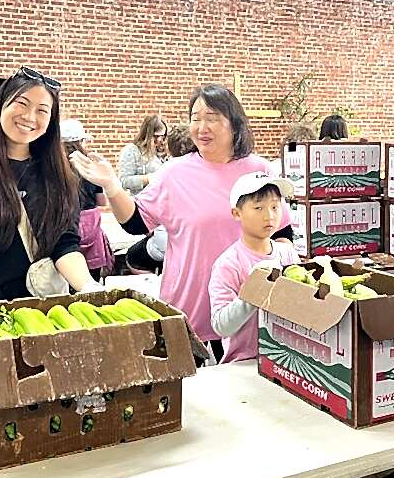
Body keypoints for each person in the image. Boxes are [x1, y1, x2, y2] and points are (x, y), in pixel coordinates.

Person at [70, 84, 293, 357]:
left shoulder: (258, 169)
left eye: (211, 118)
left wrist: (273, 272)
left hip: (247, 312)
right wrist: (112, 186)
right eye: (195, 118)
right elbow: (136, 223)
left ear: (234, 123)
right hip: (189, 307)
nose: (202, 127)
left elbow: (283, 233)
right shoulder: (174, 173)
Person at [0, 67, 100, 303]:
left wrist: (89, 286)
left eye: (42, 110)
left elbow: (65, 243)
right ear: (1, 104)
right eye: (22, 103)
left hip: (40, 309)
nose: (30, 117)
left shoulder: (60, 175)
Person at [209, 173, 300, 364]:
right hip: (245, 363)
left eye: (275, 207)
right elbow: (221, 326)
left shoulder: (288, 255)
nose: (269, 216)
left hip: (287, 361)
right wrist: (252, 294)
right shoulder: (229, 264)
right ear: (237, 213)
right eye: (258, 208)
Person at [124, 124, 195, 275]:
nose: (160, 142)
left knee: (133, 257)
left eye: (162, 138)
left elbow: (136, 221)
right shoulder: (207, 169)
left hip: (171, 239)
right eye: (157, 137)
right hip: (192, 240)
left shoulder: (168, 171)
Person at [61, 118, 114, 281]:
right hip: (92, 228)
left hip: (66, 230)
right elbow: (102, 202)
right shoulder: (90, 167)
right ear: (81, 141)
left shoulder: (56, 168)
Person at [118, 115, 167, 195]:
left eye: (162, 136)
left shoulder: (162, 151)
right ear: (147, 134)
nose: (159, 140)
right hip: (140, 200)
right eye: (156, 136)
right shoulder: (132, 150)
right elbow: (123, 181)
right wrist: (147, 179)